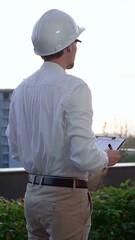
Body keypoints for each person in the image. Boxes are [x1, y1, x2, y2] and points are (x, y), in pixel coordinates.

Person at [6, 9, 120, 240]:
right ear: (69, 46)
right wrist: (107, 157)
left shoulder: (21, 89)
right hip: (65, 199)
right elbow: (85, 158)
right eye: (76, 42)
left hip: (33, 196)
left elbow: (16, 149)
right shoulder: (75, 88)